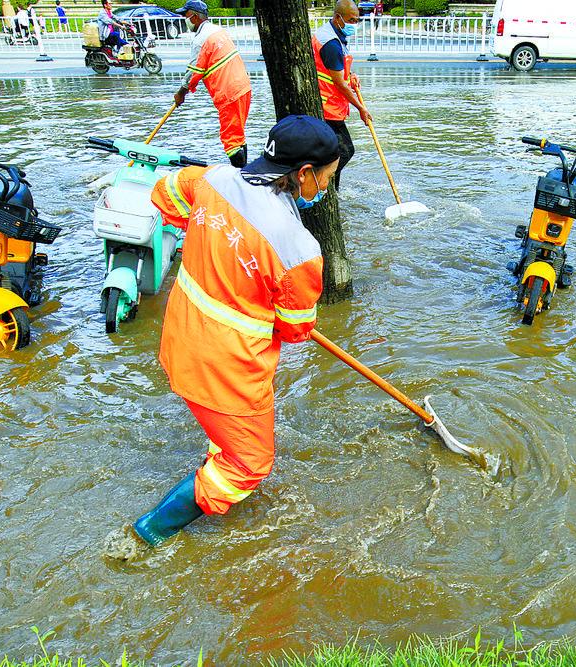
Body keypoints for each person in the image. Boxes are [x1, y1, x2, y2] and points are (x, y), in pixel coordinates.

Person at [122, 115, 340, 550]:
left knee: (226, 438)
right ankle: (150, 533)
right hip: (227, 368)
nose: (327, 187)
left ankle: (213, 460)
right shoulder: (299, 250)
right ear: (303, 174)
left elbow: (165, 195)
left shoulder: (213, 179)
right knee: (249, 464)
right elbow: (296, 330)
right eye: (328, 178)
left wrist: (212, 237)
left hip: (179, 339)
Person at [173, 0, 252, 168]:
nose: (184, 19)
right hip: (243, 87)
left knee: (230, 139)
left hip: (228, 93)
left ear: (194, 17)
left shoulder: (201, 40)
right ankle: (245, 172)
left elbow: (193, 73)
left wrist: (180, 94)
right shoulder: (218, 30)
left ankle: (241, 177)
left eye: (185, 15)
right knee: (238, 134)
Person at [312, 0, 372, 188]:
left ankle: (332, 191)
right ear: (338, 18)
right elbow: (339, 83)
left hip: (330, 104)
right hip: (327, 106)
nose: (354, 24)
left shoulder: (333, 34)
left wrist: (350, 74)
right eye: (351, 20)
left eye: (357, 20)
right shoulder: (331, 43)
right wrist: (361, 108)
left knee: (335, 153)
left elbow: (335, 69)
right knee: (345, 151)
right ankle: (321, 185)